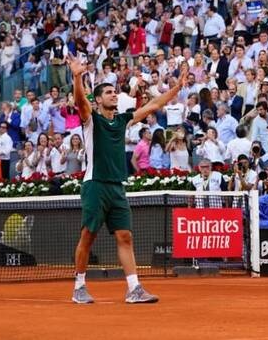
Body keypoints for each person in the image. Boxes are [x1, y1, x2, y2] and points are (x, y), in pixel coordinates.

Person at [69, 54, 186, 305]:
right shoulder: (91, 121)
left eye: (115, 92)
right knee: (88, 236)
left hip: (116, 187)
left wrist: (176, 88)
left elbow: (153, 106)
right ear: (98, 99)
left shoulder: (123, 120)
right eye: (109, 92)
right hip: (95, 185)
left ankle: (134, 288)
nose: (114, 94)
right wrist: (77, 77)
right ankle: (79, 286)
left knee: (125, 236)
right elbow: (80, 101)